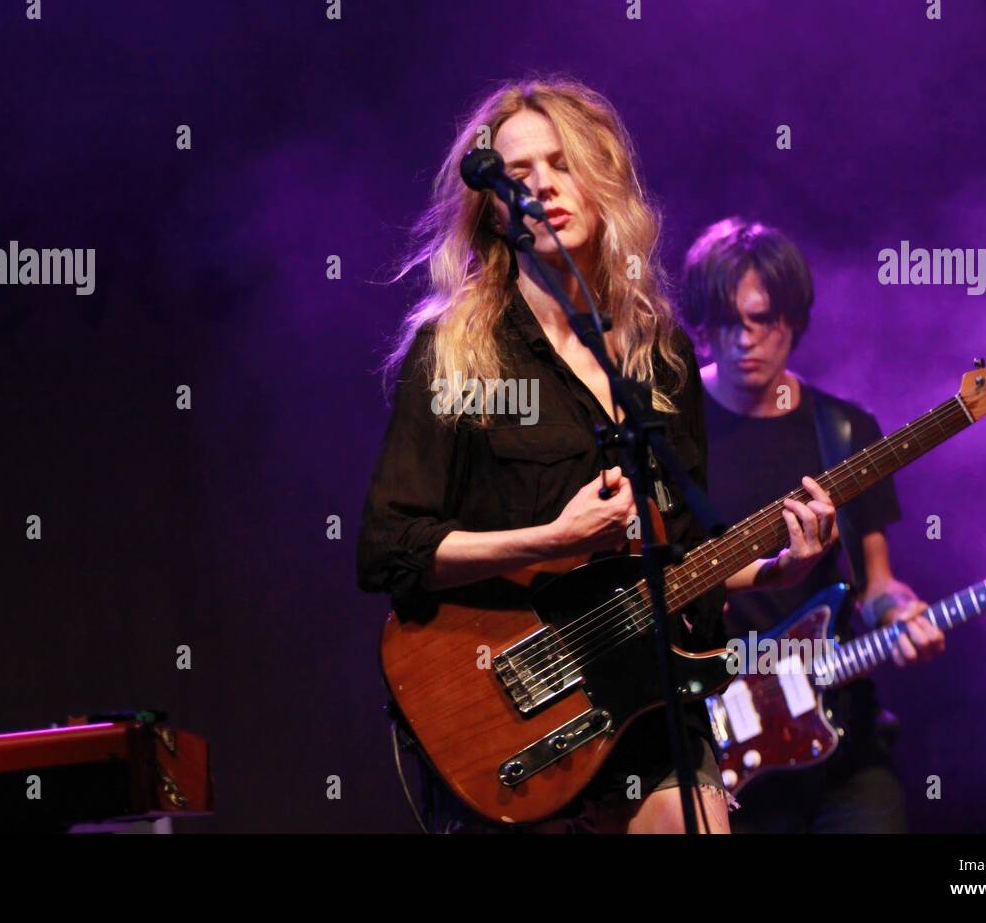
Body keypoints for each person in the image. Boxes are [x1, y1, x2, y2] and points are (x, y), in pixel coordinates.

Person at [356, 81, 838, 833]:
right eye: (518, 174)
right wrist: (556, 539)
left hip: (648, 692)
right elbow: (391, 550)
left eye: (563, 163)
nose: (544, 185)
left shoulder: (662, 352)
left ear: (602, 177)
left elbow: (685, 550)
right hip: (514, 699)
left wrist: (781, 569)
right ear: (491, 204)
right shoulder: (454, 353)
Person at [679, 217, 945, 833]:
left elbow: (877, 584)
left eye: (763, 319)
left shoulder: (846, 433)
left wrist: (900, 616)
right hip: (708, 737)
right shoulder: (669, 428)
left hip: (832, 729)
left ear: (793, 321)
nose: (745, 339)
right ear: (700, 325)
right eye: (727, 320)